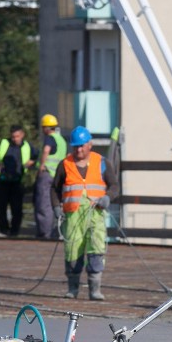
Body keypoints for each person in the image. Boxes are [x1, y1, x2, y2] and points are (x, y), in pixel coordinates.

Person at [51, 126, 118, 300]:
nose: (78, 150)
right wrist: (56, 207)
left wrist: (107, 198)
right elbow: (54, 189)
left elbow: (114, 186)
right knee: (73, 250)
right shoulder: (65, 164)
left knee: (96, 248)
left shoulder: (102, 162)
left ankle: (95, 289)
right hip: (72, 216)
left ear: (90, 144)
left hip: (95, 214)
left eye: (81, 146)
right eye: (75, 146)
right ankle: (72, 288)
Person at [0, 124, 38, 237]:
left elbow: (37, 154)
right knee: (1, 209)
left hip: (17, 182)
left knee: (17, 209)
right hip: (1, 181)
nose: (15, 139)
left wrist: (31, 162)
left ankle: (14, 233)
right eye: (13, 137)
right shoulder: (3, 144)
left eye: (17, 136)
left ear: (22, 135)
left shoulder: (28, 146)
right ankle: (4, 232)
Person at [33, 114, 68, 239]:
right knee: (54, 203)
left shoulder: (49, 138)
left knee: (43, 204)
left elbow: (46, 150)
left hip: (47, 174)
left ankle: (44, 233)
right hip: (58, 176)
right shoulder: (62, 140)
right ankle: (54, 232)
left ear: (46, 128)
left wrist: (41, 165)